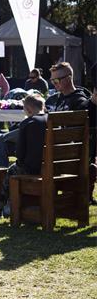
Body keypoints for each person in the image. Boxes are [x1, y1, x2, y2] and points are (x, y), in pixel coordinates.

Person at [0, 94, 47, 219]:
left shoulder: (28, 122)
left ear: (28, 109)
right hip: (52, 167)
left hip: (33, 169)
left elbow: (20, 154)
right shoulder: (52, 120)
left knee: (11, 170)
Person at [45, 62, 97, 202]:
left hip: (66, 155)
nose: (54, 84)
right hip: (54, 149)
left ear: (68, 78)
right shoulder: (54, 99)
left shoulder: (81, 101)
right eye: (52, 81)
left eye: (57, 80)